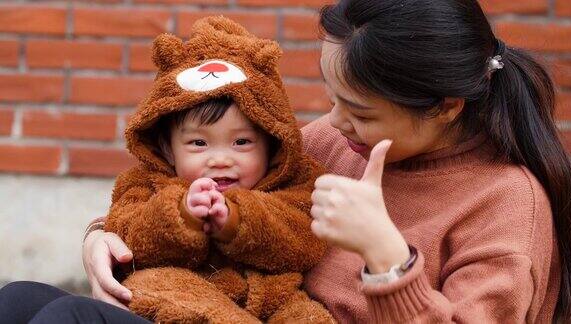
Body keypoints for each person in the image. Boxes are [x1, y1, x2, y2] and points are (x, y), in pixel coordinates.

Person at [3, 0, 571, 322]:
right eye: (332, 100)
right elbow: (218, 189)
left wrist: (387, 256)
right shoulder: (335, 140)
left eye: (361, 111)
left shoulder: (505, 203)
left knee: (70, 323)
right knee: (19, 300)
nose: (335, 122)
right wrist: (101, 238)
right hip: (236, 310)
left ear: (446, 106)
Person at [0, 16, 332, 324]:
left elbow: (302, 237)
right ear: (167, 149)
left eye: (241, 142)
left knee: (69, 314)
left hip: (238, 314)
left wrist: (235, 221)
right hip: (155, 302)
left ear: (272, 143)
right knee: (17, 298)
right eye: (199, 144)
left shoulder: (292, 184)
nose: (220, 159)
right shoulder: (146, 183)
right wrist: (179, 214)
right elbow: (126, 232)